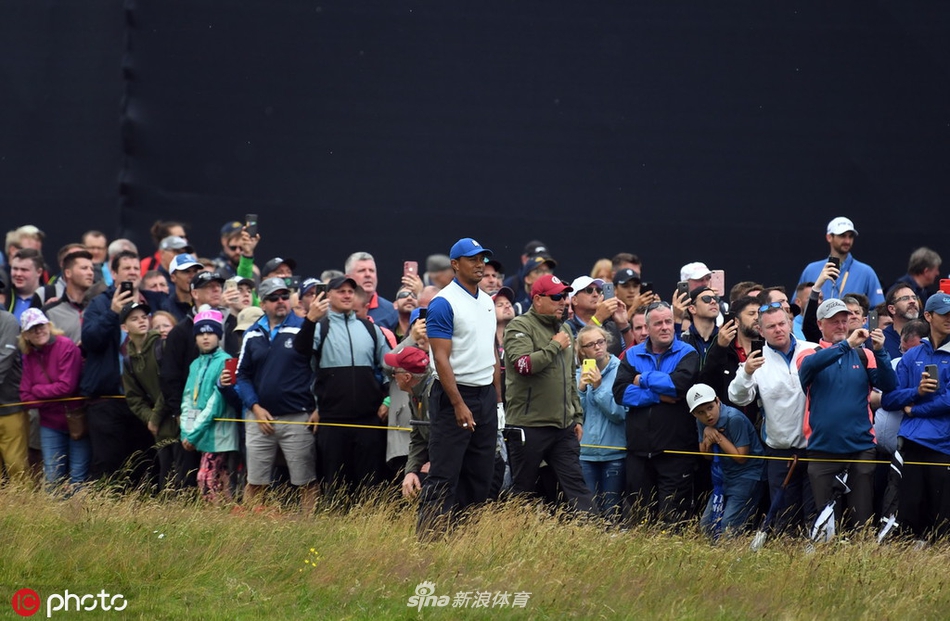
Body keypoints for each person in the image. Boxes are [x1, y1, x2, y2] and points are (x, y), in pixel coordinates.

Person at [417, 238, 500, 539]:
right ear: (455, 264)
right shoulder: (443, 302)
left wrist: (498, 403)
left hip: (485, 395)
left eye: (483, 259)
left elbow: (492, 354)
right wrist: (457, 404)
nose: (480, 264)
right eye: (472, 259)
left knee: (480, 476)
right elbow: (440, 357)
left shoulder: (488, 301)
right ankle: (427, 541)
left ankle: (463, 539)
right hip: (454, 396)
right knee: (444, 474)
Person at [797, 298, 897, 534]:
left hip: (860, 448)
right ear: (820, 324)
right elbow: (810, 367)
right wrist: (847, 345)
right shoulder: (809, 353)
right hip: (823, 448)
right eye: (834, 322)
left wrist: (880, 352)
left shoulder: (864, 355)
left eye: (845, 321)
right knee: (824, 523)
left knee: (861, 520)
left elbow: (889, 385)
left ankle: (860, 565)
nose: (841, 326)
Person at [504, 274, 597, 515]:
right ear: (537, 300)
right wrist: (555, 345)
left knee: (576, 486)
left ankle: (594, 533)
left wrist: (576, 416)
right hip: (528, 425)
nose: (563, 302)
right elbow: (523, 366)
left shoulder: (565, 328)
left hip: (562, 426)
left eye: (565, 296)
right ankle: (507, 535)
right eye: (556, 297)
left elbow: (569, 378)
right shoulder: (520, 326)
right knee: (522, 489)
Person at [292, 275, 391, 492]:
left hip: (369, 420)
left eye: (350, 291)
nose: (347, 295)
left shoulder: (370, 329)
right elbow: (300, 351)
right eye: (341, 291)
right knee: (335, 487)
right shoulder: (320, 327)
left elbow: (389, 367)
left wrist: (389, 399)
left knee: (371, 486)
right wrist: (310, 320)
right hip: (332, 421)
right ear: (328, 295)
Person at [728, 303, 818, 534]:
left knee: (815, 517)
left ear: (790, 323)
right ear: (760, 331)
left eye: (781, 323)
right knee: (785, 519)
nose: (778, 329)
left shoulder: (814, 350)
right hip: (781, 451)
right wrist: (746, 372)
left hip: (816, 448)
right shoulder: (755, 361)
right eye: (771, 326)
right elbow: (737, 397)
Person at [613, 301, 700, 524]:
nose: (665, 327)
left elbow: (679, 386)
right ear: (648, 328)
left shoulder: (687, 353)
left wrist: (642, 379)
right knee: (641, 520)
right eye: (658, 323)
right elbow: (621, 393)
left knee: (675, 519)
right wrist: (658, 396)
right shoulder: (632, 355)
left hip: (676, 451)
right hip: (639, 453)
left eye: (669, 322)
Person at [80, 251, 162, 481]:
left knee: (144, 464)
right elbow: (90, 341)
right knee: (107, 464)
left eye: (137, 268)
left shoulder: (152, 301)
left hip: (144, 401)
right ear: (113, 273)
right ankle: (102, 513)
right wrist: (113, 313)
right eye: (127, 269)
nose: (133, 272)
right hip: (108, 399)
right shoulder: (100, 303)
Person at [237, 277, 317, 510]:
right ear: (263, 304)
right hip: (260, 418)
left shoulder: (304, 327)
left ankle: (309, 529)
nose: (281, 301)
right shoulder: (252, 334)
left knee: (306, 480)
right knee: (255, 481)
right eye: (274, 298)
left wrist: (317, 407)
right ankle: (248, 529)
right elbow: (241, 376)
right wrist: (254, 406)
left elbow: (318, 369)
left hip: (298, 417)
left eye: (284, 296)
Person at [880, 293, 950, 539]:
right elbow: (889, 399)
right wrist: (917, 392)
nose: (949, 319)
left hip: (943, 445)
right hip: (912, 443)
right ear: (928, 316)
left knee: (941, 516)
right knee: (909, 511)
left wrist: (915, 408)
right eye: (944, 314)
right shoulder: (911, 356)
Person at [18, 309, 87, 486]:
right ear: (25, 335)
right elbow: (25, 396)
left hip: (77, 419)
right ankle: (54, 513)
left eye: (41, 326)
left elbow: (67, 387)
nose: (38, 331)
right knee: (52, 476)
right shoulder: (29, 356)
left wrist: (38, 390)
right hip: (49, 423)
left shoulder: (66, 346)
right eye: (32, 329)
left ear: (49, 326)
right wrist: (48, 394)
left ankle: (79, 513)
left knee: (78, 475)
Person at [688, 383, 765, 537]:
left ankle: (732, 556)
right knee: (707, 525)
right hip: (724, 477)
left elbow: (741, 457)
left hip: (748, 476)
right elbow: (706, 455)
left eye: (710, 407)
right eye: (701, 412)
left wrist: (718, 437)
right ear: (695, 415)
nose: (708, 415)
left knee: (728, 527)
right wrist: (707, 436)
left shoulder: (734, 418)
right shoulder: (702, 423)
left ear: (718, 401)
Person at [180, 309, 241, 503]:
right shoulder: (195, 364)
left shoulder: (225, 361)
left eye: (210, 332)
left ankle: (217, 519)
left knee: (207, 478)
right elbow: (188, 399)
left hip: (220, 434)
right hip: (201, 433)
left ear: (219, 336)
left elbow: (216, 403)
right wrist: (185, 432)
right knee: (219, 479)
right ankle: (222, 518)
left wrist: (193, 434)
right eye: (200, 333)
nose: (205, 337)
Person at [575, 325, 627, 521]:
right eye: (591, 344)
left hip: (614, 453)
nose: (597, 347)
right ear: (582, 350)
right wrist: (580, 390)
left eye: (601, 342)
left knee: (612, 512)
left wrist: (598, 387)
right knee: (589, 513)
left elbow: (619, 413)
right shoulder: (578, 374)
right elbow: (576, 418)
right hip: (585, 454)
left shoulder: (620, 370)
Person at [798, 216, 884, 307]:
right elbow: (797, 306)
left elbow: (877, 310)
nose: (847, 241)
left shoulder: (866, 272)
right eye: (842, 236)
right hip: (817, 321)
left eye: (850, 236)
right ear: (829, 237)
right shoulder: (811, 270)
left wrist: (865, 321)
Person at [388, 347, 436, 499]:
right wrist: (410, 471)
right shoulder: (415, 393)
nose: (393, 376)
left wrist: (437, 465)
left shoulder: (434, 393)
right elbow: (418, 438)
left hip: (462, 464)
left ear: (407, 377)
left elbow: (453, 437)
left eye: (395, 372)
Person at [566, 275, 632, 356]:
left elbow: (632, 354)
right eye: (589, 290)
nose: (596, 294)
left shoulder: (612, 325)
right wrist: (598, 318)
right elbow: (574, 357)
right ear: (574, 300)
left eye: (598, 290)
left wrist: (624, 326)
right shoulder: (567, 328)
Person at [41, 249, 95, 344]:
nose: (90, 273)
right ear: (68, 273)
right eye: (84, 268)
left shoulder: (98, 308)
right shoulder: (49, 311)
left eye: (92, 269)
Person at [0, 306, 27, 481]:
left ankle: (24, 506)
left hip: (9, 405)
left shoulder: (7, 319)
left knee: (16, 466)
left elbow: (4, 357)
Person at [345, 252, 398, 330]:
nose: (368, 274)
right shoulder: (337, 309)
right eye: (361, 270)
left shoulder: (391, 311)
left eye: (371, 270)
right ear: (347, 278)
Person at [881, 284, 920, 360]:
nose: (912, 301)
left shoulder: (928, 335)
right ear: (892, 309)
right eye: (905, 298)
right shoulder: (881, 340)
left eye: (914, 298)